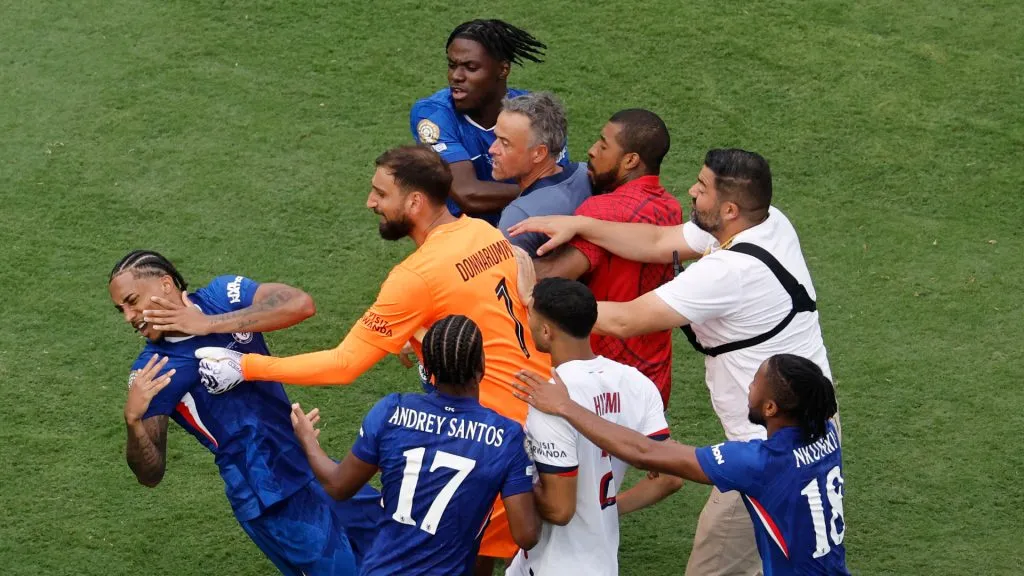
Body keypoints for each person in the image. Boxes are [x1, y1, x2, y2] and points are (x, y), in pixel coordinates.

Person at [193, 145, 552, 567]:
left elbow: (344, 364)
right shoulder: (486, 234)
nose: (371, 203)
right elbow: (489, 294)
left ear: (414, 202)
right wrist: (419, 330)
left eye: (381, 193)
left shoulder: (416, 276)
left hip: (490, 431)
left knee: (460, 557)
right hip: (543, 406)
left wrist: (244, 365)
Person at [509, 148, 835, 575]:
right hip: (814, 427)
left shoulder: (728, 273)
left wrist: (537, 301)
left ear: (730, 209)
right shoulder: (768, 222)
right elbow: (661, 242)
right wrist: (581, 224)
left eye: (701, 189)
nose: (691, 192)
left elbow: (628, 320)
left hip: (762, 446)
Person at [108, 250, 381, 576]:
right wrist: (133, 421)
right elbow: (149, 475)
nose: (129, 316)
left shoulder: (221, 296)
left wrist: (209, 324)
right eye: (121, 309)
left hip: (308, 459)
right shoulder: (153, 370)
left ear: (165, 284)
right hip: (270, 495)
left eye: (132, 300)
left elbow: (299, 304)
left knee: (401, 541)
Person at [511, 353, 849, 576]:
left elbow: (646, 453)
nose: (749, 387)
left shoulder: (758, 463)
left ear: (772, 409)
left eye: (756, 384)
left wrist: (566, 407)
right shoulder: (826, 433)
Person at [289, 315, 541, 575]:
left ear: (428, 368)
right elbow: (526, 534)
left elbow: (338, 486)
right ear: (481, 366)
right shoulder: (506, 436)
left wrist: (308, 440)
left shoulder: (391, 411)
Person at [506, 278, 683, 576]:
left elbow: (559, 510)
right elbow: (670, 477)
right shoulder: (636, 382)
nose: (529, 323)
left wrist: (509, 472)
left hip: (554, 566)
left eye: (532, 317)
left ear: (547, 332)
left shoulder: (550, 399)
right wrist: (609, 510)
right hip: (597, 563)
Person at [510, 109, 682, 408]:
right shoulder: (671, 208)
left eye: (603, 145)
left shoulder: (603, 210)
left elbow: (550, 277)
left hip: (602, 379)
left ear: (630, 160)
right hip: (653, 376)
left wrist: (496, 253)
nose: (591, 150)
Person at [410, 19, 568, 225]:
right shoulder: (432, 115)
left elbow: (559, 180)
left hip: (527, 227)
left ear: (503, 69)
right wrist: (545, 190)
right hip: (464, 238)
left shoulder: (537, 115)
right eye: (452, 65)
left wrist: (557, 189)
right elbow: (468, 194)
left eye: (471, 67)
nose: (456, 76)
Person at [491, 92, 591, 255]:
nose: (492, 149)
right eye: (496, 138)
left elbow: (503, 276)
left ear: (538, 153)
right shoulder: (585, 173)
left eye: (505, 143)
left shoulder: (519, 217)